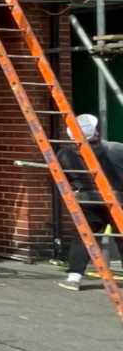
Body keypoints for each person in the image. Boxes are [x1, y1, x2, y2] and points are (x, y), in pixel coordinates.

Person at [58, 113, 123, 290]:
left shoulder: (64, 154)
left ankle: (74, 278)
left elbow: (63, 179)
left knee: (84, 237)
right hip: (117, 199)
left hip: (87, 200)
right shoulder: (115, 149)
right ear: (96, 132)